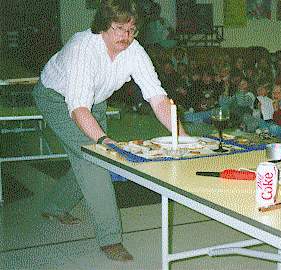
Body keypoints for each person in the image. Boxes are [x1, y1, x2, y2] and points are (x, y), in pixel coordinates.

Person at [32, 0, 186, 262]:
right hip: (58, 99)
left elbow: (158, 98)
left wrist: (183, 138)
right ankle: (110, 238)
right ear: (103, 26)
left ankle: (55, 206)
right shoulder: (83, 47)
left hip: (96, 100)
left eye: (132, 30)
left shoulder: (134, 51)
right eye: (118, 28)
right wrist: (105, 141)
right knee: (96, 158)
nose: (126, 37)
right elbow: (78, 108)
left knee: (86, 156)